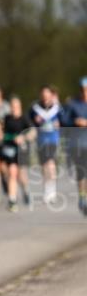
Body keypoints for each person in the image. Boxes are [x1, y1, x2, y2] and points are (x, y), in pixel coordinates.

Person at [0, 97, 34, 212]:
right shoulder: (7, 118)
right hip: (10, 149)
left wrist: (23, 137)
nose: (14, 109)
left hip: (22, 150)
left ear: (20, 107)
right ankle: (12, 200)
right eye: (12, 106)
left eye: (16, 106)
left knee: (21, 175)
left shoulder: (25, 118)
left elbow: (33, 132)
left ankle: (26, 190)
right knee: (12, 173)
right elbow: (1, 131)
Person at [30, 85, 62, 205]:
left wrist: (60, 123)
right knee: (44, 166)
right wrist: (35, 122)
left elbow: (66, 120)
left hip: (53, 139)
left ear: (50, 94)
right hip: (41, 140)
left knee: (51, 164)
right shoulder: (35, 108)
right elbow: (28, 121)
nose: (45, 96)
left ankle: (52, 191)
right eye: (43, 94)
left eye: (47, 94)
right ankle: (46, 190)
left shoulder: (57, 108)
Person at [62, 77, 87, 216]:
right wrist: (75, 121)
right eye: (83, 90)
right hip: (78, 144)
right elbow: (64, 121)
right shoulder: (72, 104)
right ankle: (83, 198)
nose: (85, 93)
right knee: (82, 172)